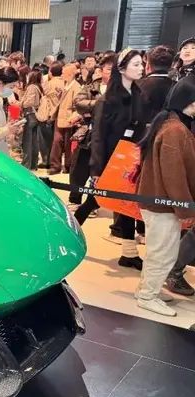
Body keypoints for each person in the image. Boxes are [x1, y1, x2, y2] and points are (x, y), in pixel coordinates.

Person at [74, 49, 147, 270]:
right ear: (121, 68)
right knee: (93, 201)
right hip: (109, 161)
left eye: (141, 64)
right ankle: (66, 234)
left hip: (130, 159)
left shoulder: (139, 95)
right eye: (135, 64)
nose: (141, 68)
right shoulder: (106, 101)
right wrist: (96, 169)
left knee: (124, 204)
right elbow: (98, 137)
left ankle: (129, 253)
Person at [132, 78, 195, 316]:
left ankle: (147, 289)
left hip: (158, 201)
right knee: (163, 252)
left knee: (158, 250)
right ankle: (148, 296)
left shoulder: (169, 124)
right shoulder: (175, 130)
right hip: (163, 204)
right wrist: (185, 208)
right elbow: (174, 175)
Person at [69, 53, 115, 210]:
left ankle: (91, 204)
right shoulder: (92, 87)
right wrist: (100, 105)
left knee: (99, 172)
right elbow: (79, 103)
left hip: (109, 138)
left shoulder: (120, 90)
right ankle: (75, 199)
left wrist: (92, 110)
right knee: (78, 168)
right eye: (109, 69)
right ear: (101, 70)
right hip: (88, 135)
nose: (112, 73)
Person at [49, 64, 82, 175]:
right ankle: (55, 166)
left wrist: (72, 118)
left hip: (69, 119)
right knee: (56, 141)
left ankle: (68, 165)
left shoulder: (76, 87)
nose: (62, 74)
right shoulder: (64, 84)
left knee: (68, 144)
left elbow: (77, 106)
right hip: (60, 118)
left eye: (64, 73)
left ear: (71, 74)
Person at [137, 45, 176, 125]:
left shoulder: (136, 85)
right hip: (169, 130)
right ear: (171, 65)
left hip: (139, 131)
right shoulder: (178, 87)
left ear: (147, 65)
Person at [37, 62, 65, 169]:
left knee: (45, 140)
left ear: (51, 72)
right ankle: (55, 161)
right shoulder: (65, 83)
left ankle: (46, 161)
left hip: (48, 115)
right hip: (60, 115)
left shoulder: (48, 84)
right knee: (56, 141)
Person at [19, 69, 43, 170]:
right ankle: (33, 164)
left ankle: (26, 164)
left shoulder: (32, 87)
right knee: (33, 141)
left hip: (30, 115)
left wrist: (21, 103)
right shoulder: (38, 87)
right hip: (35, 115)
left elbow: (30, 102)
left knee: (27, 141)